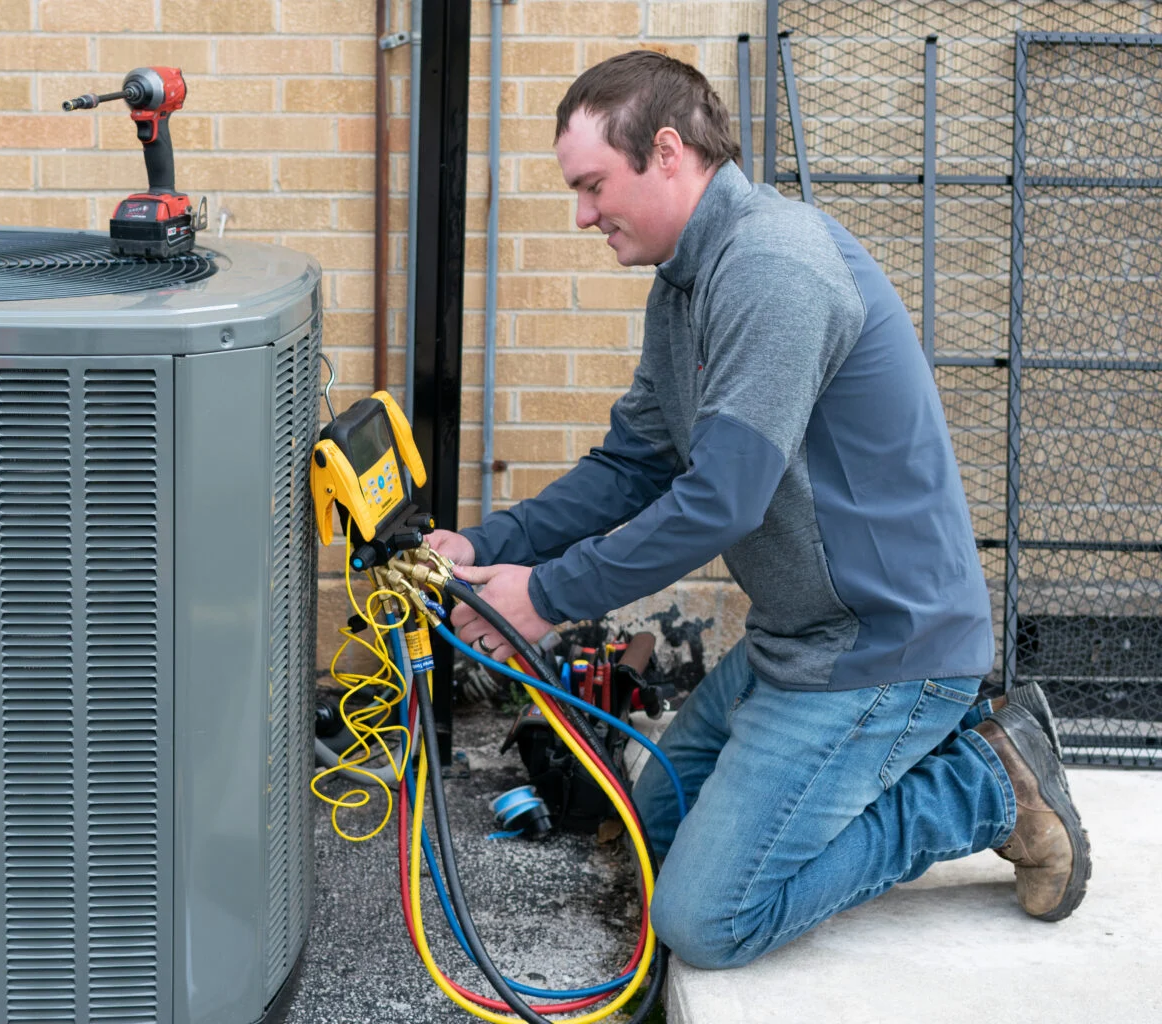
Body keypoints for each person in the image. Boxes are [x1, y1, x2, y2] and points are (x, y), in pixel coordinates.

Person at [426, 50, 1089, 969]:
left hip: (883, 651)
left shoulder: (775, 269)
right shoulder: (686, 284)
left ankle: (983, 786)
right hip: (798, 639)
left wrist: (547, 592)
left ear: (666, 152)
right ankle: (906, 777)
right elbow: (632, 464)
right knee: (650, 834)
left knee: (705, 921)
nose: (582, 215)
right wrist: (488, 543)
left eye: (591, 185)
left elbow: (721, 501)